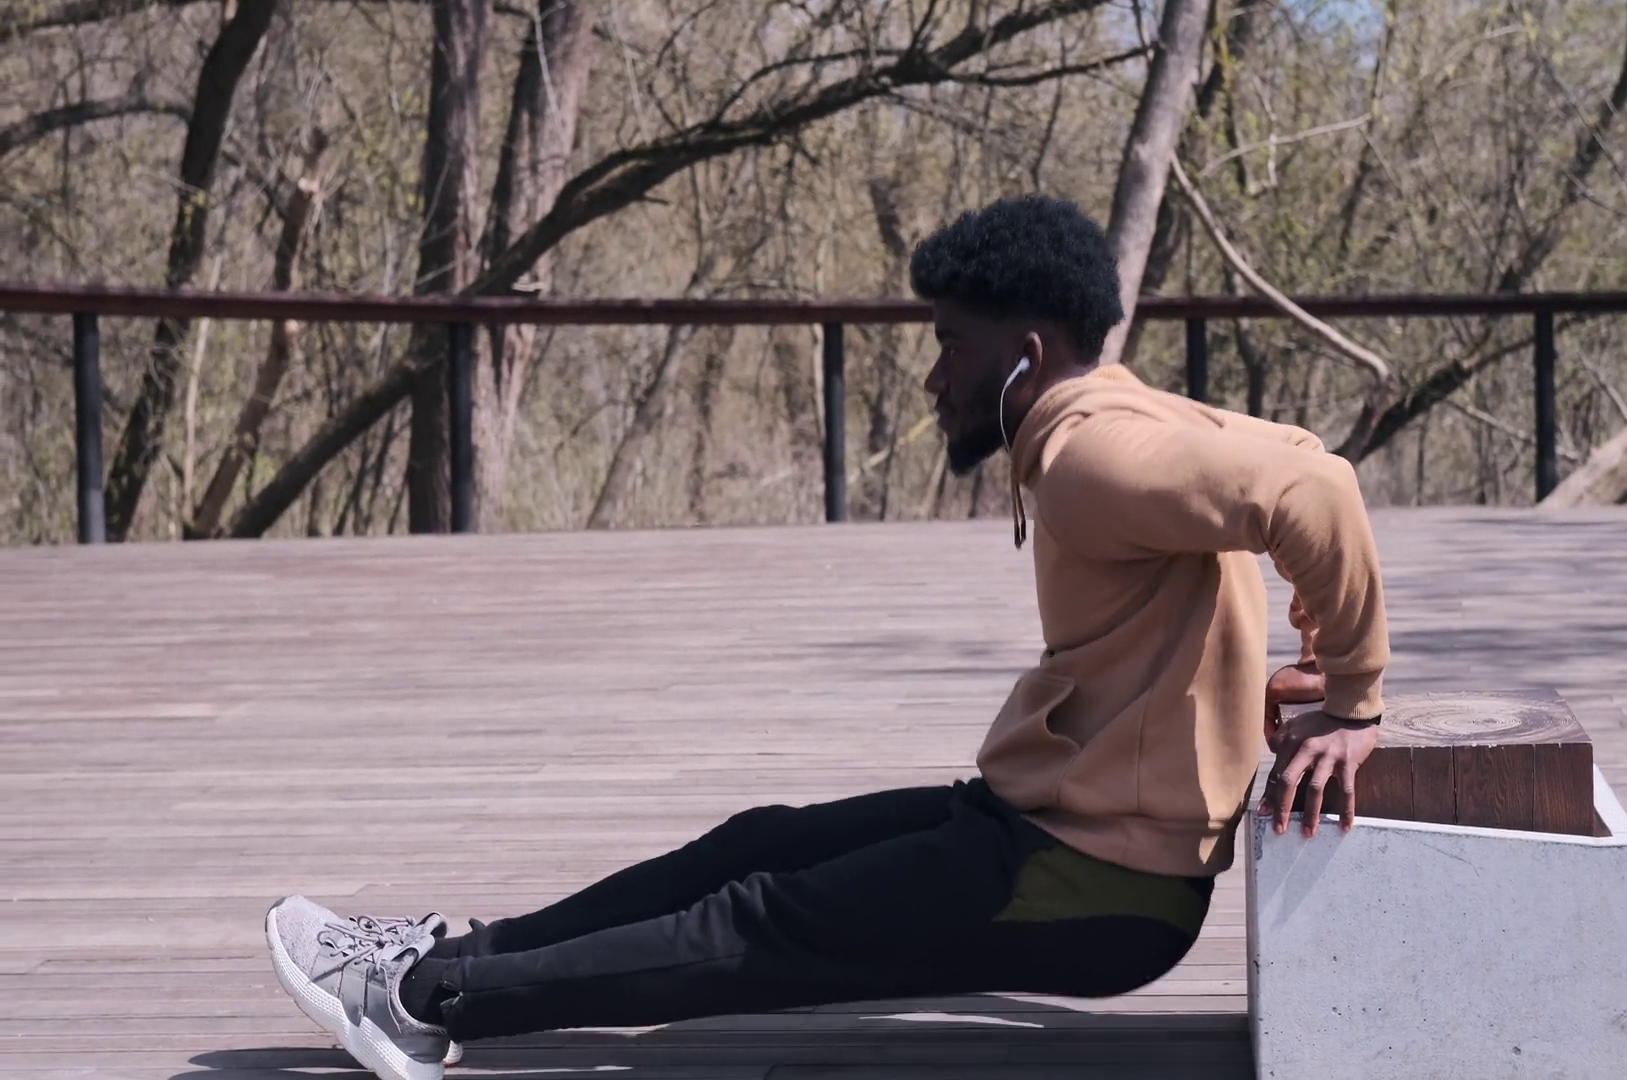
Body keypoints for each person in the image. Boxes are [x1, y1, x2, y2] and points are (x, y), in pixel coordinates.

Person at [262, 194, 1390, 1080]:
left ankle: (419, 1004)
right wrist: (1291, 654)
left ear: (1028, 352)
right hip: (1046, 823)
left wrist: (1351, 693)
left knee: (764, 925)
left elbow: (1313, 487)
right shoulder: (1128, 411)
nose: (935, 375)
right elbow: (1290, 455)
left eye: (951, 345)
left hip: (1102, 883)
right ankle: (457, 953)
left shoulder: (1092, 454)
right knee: (757, 845)